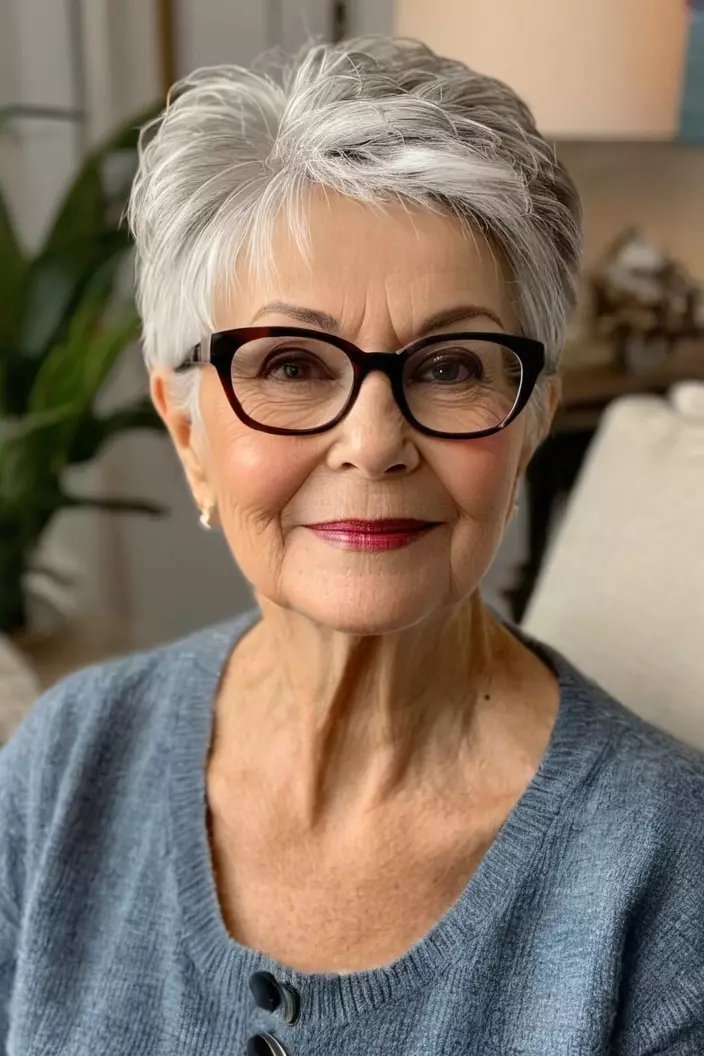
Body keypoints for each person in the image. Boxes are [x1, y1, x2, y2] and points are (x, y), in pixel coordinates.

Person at [1, 37, 703, 1056]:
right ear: (189, 430)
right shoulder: (68, 763)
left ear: (531, 424)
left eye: (452, 365)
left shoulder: (668, 873)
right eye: (289, 363)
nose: (373, 442)